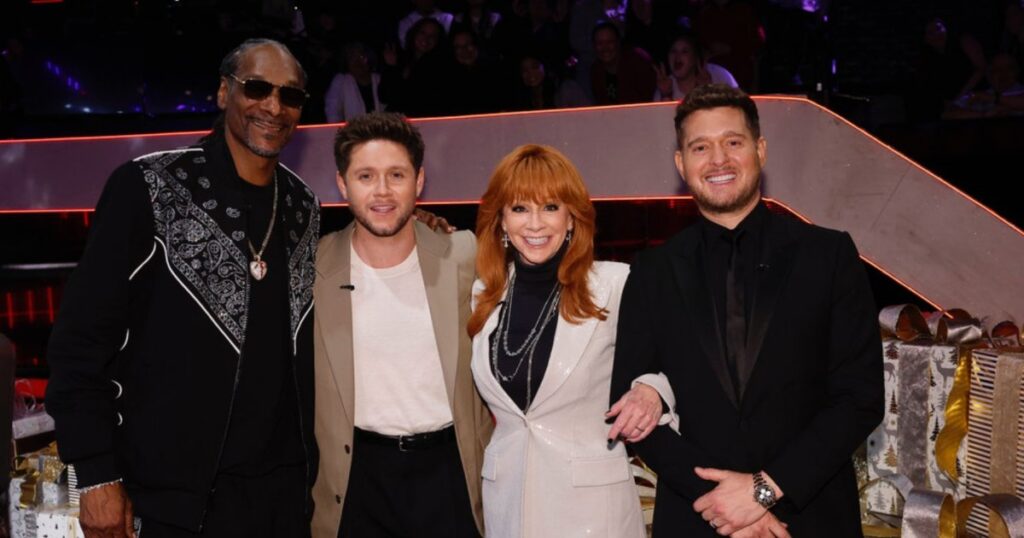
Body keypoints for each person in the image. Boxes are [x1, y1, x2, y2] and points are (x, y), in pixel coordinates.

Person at [46, 39, 320, 537]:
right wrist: (94, 473)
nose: (274, 106)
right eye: (257, 88)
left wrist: (423, 226)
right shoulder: (147, 186)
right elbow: (80, 341)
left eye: (291, 95)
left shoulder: (304, 205)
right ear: (224, 92)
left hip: (283, 498)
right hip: (173, 502)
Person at [609, 84, 884, 536]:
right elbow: (629, 409)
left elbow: (860, 397)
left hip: (810, 516)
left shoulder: (828, 256)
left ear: (760, 150)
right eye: (700, 147)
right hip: (698, 517)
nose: (718, 159)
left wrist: (762, 491)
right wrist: (722, 503)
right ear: (681, 163)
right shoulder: (652, 271)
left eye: (733, 142)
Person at [468, 144, 676, 537]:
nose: (535, 224)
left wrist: (652, 391)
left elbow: (679, 360)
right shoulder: (483, 294)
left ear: (571, 219)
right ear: (501, 221)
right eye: (520, 208)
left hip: (593, 512)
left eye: (550, 207)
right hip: (508, 505)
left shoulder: (616, 285)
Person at [311, 112, 492, 538]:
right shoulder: (313, 267)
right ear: (342, 185)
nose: (382, 191)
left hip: (451, 474)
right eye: (365, 176)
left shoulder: (462, 254)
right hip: (356, 481)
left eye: (396, 175)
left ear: (419, 181)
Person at [655, 32, 738, 102]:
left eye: (684, 51)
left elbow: (737, 108)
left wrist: (707, 91)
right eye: (673, 51)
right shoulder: (664, 86)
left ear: (695, 57)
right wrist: (666, 95)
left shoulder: (720, 75)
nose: (677, 56)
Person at [590, 21, 656, 105]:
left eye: (609, 42)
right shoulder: (596, 70)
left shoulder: (636, 63)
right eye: (600, 43)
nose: (605, 48)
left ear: (618, 43)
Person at [324, 42, 383, 122]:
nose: (357, 62)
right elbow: (332, 112)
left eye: (361, 57)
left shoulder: (380, 80)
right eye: (352, 58)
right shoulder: (340, 82)